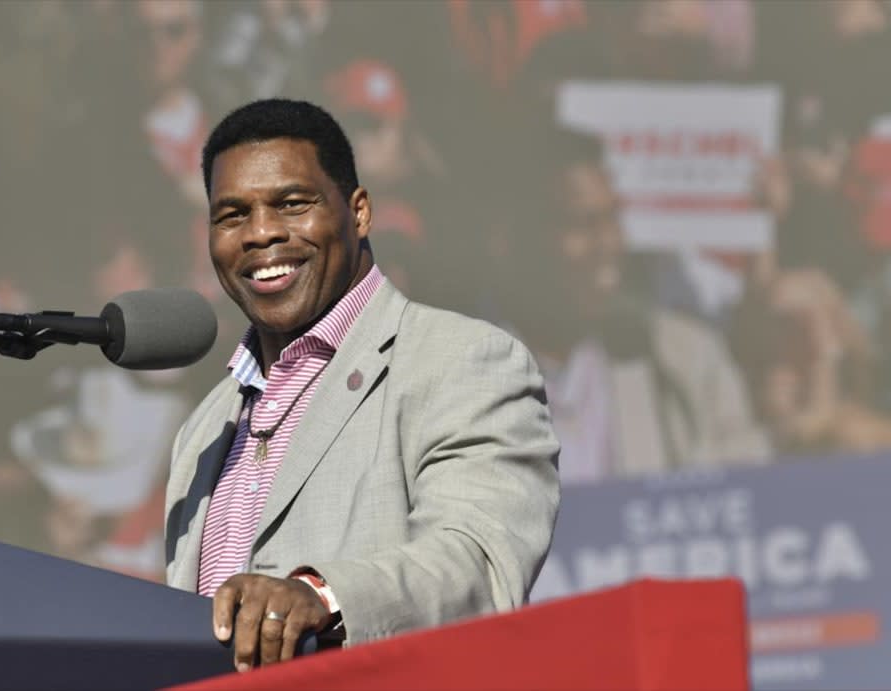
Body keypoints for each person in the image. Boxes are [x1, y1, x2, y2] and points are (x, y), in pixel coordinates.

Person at [164, 99, 559, 669]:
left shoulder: (462, 360)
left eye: (292, 204)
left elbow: (482, 563)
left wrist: (323, 598)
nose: (261, 232)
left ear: (360, 212)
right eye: (232, 215)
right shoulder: (201, 431)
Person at [499, 126, 770, 484]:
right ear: (514, 241)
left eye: (612, 218)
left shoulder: (683, 359)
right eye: (581, 224)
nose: (608, 243)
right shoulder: (461, 384)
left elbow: (750, 487)